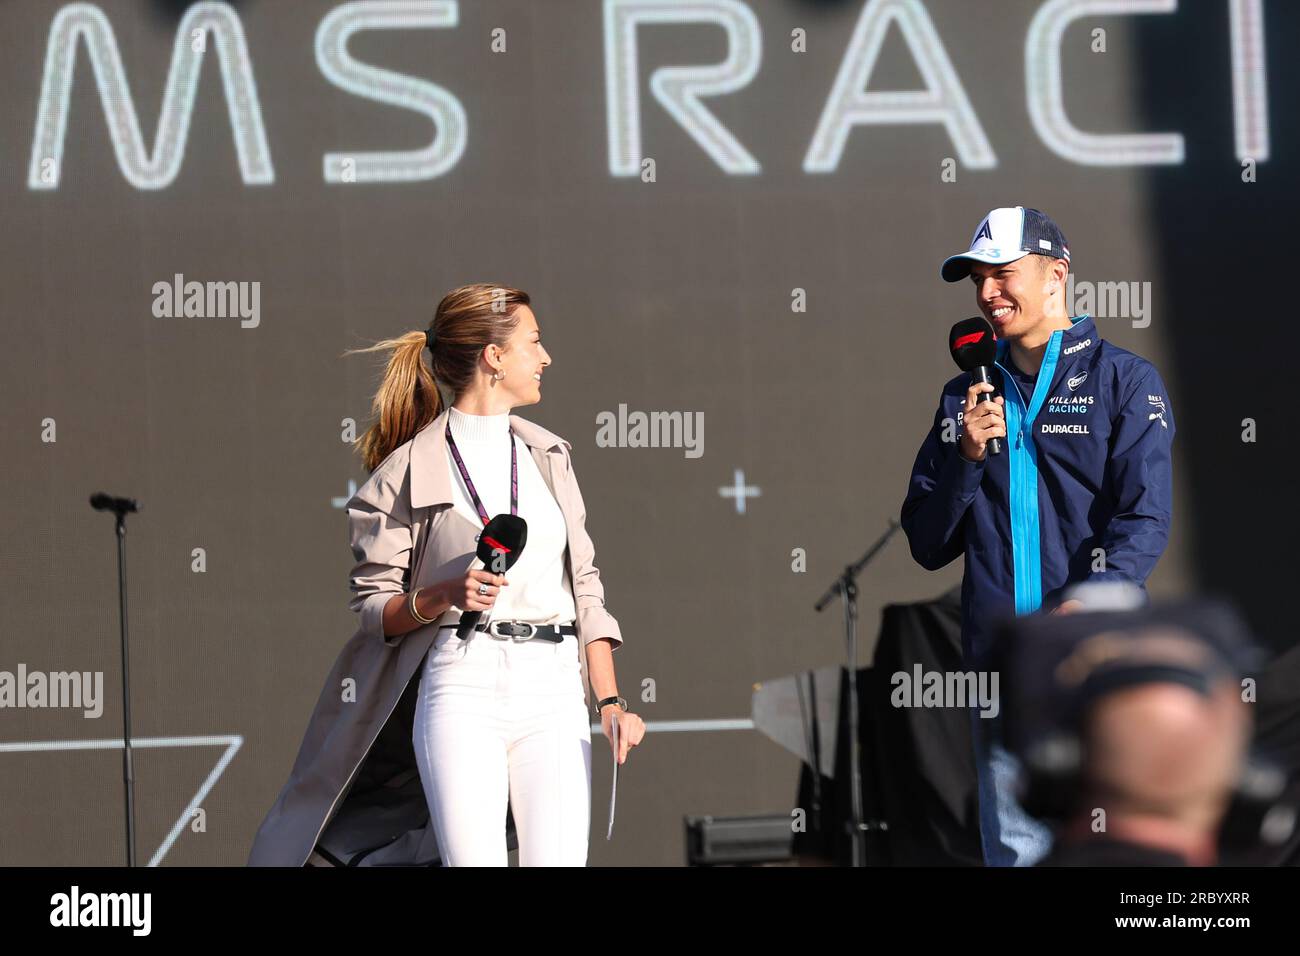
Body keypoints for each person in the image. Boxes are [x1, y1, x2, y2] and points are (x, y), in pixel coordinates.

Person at [247, 283, 644, 867]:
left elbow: (586, 588)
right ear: (494, 356)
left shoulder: (550, 457)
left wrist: (610, 701)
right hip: (462, 683)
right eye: (534, 342)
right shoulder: (403, 472)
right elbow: (375, 611)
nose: (547, 357)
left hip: (556, 688)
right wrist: (440, 594)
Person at [900, 207, 1177, 865]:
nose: (988, 294)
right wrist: (966, 459)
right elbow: (927, 541)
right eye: (978, 280)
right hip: (1005, 667)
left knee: (1108, 846)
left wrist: (1092, 601)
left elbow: (1145, 520)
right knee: (1019, 850)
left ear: (1057, 273)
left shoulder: (1125, 381)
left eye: (1003, 273)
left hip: (1095, 661)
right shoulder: (964, 395)